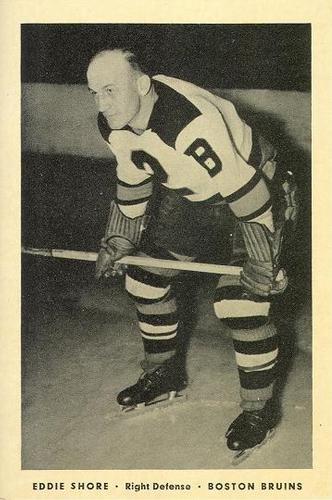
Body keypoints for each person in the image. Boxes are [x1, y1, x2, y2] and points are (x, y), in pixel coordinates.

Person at [86, 47, 298, 458]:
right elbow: (134, 178)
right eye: (95, 92)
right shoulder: (113, 122)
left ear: (142, 85)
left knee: (240, 304)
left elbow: (247, 191)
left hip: (258, 196)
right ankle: (163, 374)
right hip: (194, 200)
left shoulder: (189, 121)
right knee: (144, 278)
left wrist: (262, 261)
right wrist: (119, 241)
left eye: (110, 90)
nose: (101, 103)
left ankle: (258, 411)